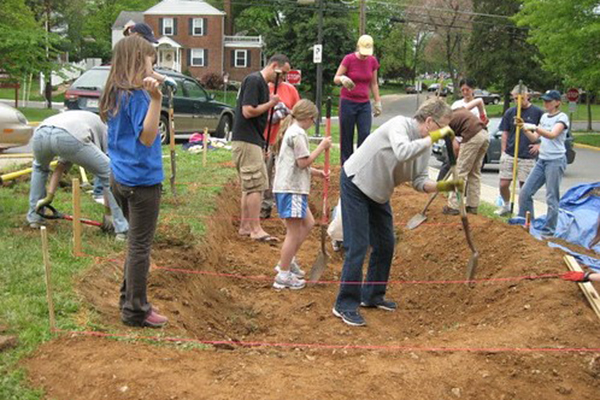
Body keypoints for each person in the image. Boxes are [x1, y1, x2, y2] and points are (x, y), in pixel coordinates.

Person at [332, 98, 463, 327]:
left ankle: (372, 295)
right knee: (358, 245)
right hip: (356, 183)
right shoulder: (399, 125)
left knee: (386, 243)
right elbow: (402, 152)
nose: (444, 133)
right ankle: (344, 304)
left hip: (379, 192)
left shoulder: (425, 146)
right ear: (429, 121)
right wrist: (434, 138)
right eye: (442, 127)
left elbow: (419, 181)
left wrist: (445, 186)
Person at [99, 35, 167, 328]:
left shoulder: (116, 91)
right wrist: (156, 99)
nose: (154, 67)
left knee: (134, 243)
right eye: (152, 61)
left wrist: (155, 80)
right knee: (140, 246)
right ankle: (136, 310)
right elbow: (148, 137)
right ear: (140, 62)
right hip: (142, 181)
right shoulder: (139, 97)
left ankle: (128, 298)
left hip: (120, 176)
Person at [27, 111, 129, 240]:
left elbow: (60, 167)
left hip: (41, 132)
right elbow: (107, 176)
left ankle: (35, 217)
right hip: (69, 136)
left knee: (40, 169)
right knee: (110, 172)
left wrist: (49, 197)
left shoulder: (86, 121)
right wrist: (108, 213)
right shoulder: (107, 131)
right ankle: (122, 228)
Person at [271, 100, 331, 290]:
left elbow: (295, 164)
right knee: (293, 232)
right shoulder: (297, 134)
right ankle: (283, 274)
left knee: (309, 223)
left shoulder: (293, 131)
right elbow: (302, 162)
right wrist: (322, 146)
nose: (313, 123)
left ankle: (287, 261)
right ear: (309, 118)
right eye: (314, 120)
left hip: (290, 187)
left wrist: (317, 173)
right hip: (292, 190)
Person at [232, 54, 289, 242]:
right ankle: (255, 229)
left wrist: (261, 143)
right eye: (283, 73)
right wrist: (271, 103)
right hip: (246, 140)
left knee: (249, 187)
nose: (284, 79)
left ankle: (245, 226)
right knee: (256, 186)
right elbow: (248, 111)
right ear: (274, 66)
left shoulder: (261, 84)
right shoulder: (254, 80)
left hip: (251, 140)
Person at [516, 90, 569, 238]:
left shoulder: (562, 118)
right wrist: (523, 127)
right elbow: (534, 138)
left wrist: (534, 126)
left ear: (557, 102)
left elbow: (552, 135)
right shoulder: (544, 117)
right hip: (542, 160)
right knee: (525, 192)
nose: (546, 103)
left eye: (549, 101)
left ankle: (548, 231)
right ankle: (528, 225)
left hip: (555, 160)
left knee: (552, 197)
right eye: (545, 100)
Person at [495, 84, 544, 216]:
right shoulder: (510, 112)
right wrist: (503, 151)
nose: (517, 101)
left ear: (527, 96)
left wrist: (539, 145)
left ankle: (523, 212)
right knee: (503, 184)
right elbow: (505, 132)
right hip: (510, 153)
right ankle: (506, 205)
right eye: (515, 98)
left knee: (525, 187)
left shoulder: (537, 113)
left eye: (520, 98)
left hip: (527, 155)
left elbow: (544, 131)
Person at [334, 34, 381, 165]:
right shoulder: (349, 59)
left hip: (364, 104)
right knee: (347, 136)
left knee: (365, 134)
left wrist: (377, 101)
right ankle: (346, 166)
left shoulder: (372, 61)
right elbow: (336, 78)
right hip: (348, 102)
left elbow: (374, 83)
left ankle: (360, 165)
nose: (365, 56)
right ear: (358, 47)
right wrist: (342, 78)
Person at [261, 65, 300, 219]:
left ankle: (283, 207)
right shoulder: (263, 88)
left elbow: (297, 113)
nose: (283, 77)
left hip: (284, 142)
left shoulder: (291, 90)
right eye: (282, 73)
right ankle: (264, 207)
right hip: (266, 139)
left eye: (285, 74)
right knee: (265, 174)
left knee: (283, 174)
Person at [443, 98, 490, 215]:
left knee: (460, 172)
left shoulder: (443, 124)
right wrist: (482, 115)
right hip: (484, 135)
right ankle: (472, 205)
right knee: (474, 172)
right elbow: (479, 101)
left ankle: (453, 206)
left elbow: (456, 147)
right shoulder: (459, 109)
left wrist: (456, 161)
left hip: (472, 136)